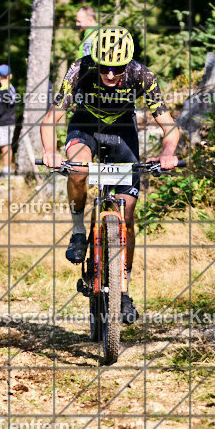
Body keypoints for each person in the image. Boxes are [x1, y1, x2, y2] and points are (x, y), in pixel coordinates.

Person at [39, 26, 180, 324]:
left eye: (117, 68)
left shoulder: (142, 75)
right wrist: (50, 151)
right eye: (105, 67)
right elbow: (51, 118)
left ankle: (123, 289)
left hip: (122, 130)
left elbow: (170, 127)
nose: (111, 75)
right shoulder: (80, 69)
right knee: (77, 169)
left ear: (128, 64)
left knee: (128, 214)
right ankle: (78, 230)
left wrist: (168, 153)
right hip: (85, 125)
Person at [0, 64, 18, 179]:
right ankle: (7, 169)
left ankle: (6, 171)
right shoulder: (12, 89)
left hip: (3, 123)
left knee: (4, 146)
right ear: (10, 76)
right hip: (11, 121)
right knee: (8, 146)